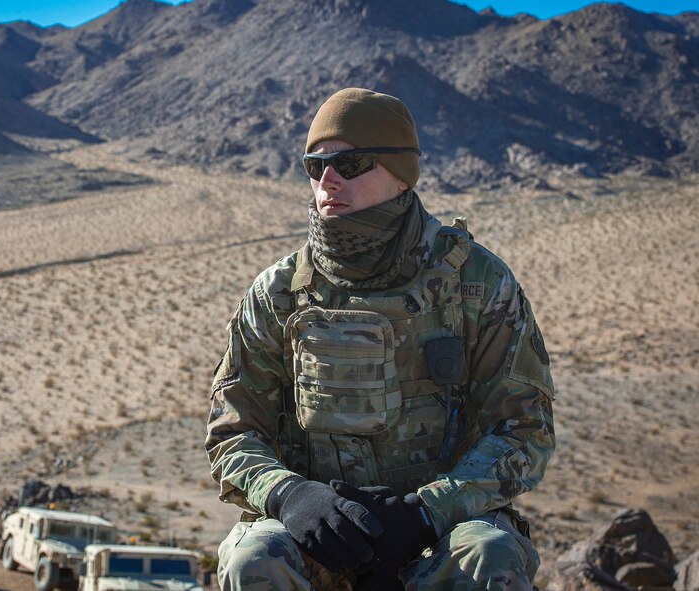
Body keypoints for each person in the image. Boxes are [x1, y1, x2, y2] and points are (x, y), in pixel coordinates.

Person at [205, 88, 555, 591]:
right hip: (318, 530)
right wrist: (290, 497)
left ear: (401, 173)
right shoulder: (277, 293)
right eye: (315, 165)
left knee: (489, 554)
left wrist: (426, 513)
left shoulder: (476, 283)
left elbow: (526, 429)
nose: (328, 179)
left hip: (441, 529)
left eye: (350, 163)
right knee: (253, 558)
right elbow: (232, 433)